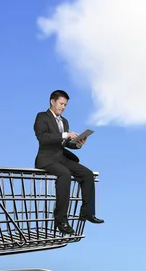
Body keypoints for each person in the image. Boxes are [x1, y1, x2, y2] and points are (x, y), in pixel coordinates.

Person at [33, 90, 104, 235]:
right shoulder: (42, 117)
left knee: (87, 174)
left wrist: (78, 144)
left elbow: (64, 144)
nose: (63, 107)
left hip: (61, 158)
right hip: (46, 159)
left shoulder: (64, 121)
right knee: (64, 175)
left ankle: (87, 213)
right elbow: (43, 138)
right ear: (52, 102)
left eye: (65, 105)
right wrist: (65, 134)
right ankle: (61, 220)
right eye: (61, 104)